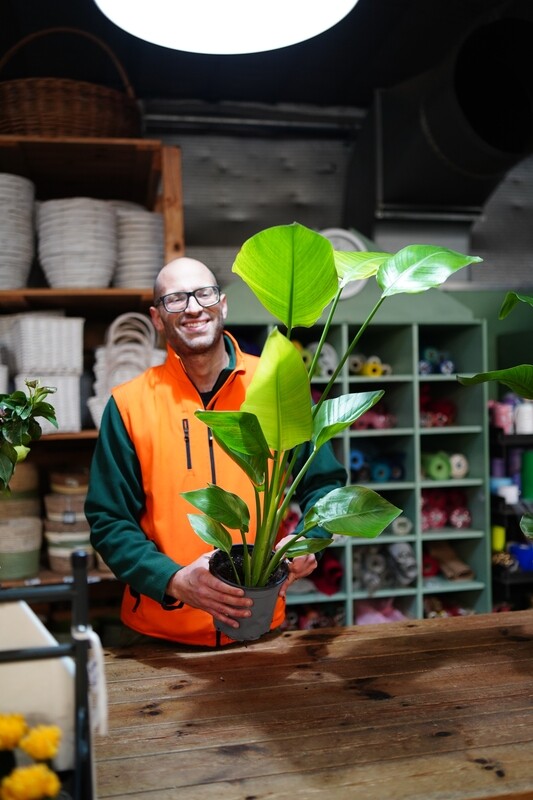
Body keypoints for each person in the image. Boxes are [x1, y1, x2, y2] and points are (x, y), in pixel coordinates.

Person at [85, 257, 347, 647]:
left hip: (256, 623)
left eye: (203, 294)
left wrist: (310, 539)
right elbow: (108, 519)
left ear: (221, 304)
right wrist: (172, 580)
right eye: (175, 299)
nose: (192, 307)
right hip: (159, 633)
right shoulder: (128, 404)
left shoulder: (275, 385)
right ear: (157, 319)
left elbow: (324, 484)